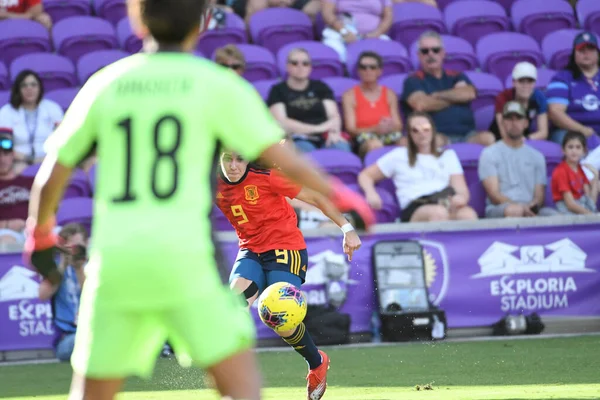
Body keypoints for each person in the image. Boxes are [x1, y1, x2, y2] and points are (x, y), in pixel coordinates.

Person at [23, 0, 375, 399]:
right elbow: (285, 157)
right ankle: (312, 360)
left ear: (135, 17)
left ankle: (312, 359)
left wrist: (39, 236)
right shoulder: (217, 84)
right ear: (202, 23)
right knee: (240, 389)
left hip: (117, 262)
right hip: (186, 260)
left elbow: (53, 171)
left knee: (90, 393)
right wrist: (346, 196)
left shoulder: (107, 83)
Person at [216, 150, 362, 400]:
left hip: (286, 249)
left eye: (239, 159)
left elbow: (316, 196)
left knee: (277, 316)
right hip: (250, 250)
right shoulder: (210, 183)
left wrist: (347, 229)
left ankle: (317, 363)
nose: (233, 165)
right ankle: (233, 389)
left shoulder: (266, 177)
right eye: (227, 158)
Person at [358, 112, 477, 222]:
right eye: (415, 130)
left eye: (426, 129)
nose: (422, 133)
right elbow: (365, 175)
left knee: (468, 214)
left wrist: (460, 198)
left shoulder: (447, 155)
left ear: (433, 131)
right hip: (416, 205)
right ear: (409, 134)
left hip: (445, 201)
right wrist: (371, 193)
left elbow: (461, 189)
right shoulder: (398, 155)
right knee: (438, 213)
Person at [401, 31, 494, 146]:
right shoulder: (413, 80)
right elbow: (422, 104)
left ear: (442, 53)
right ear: (419, 56)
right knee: (436, 142)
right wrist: (456, 96)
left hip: (468, 134)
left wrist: (436, 95)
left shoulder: (456, 75)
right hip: (436, 134)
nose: (430, 54)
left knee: (488, 138)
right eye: (425, 51)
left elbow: (469, 94)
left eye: (435, 50)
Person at [478, 101, 558, 218]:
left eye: (518, 119)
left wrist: (531, 207)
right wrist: (521, 207)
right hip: (500, 209)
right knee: (514, 211)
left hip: (529, 208)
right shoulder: (489, 153)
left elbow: (539, 196)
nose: (514, 123)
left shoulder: (537, 156)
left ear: (525, 123)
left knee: (556, 216)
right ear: (503, 122)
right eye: (509, 119)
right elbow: (494, 195)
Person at [268, 48, 350, 153]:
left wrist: (334, 131)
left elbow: (334, 115)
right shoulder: (277, 90)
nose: (300, 67)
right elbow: (282, 122)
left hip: (325, 135)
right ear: (287, 66)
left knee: (341, 148)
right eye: (294, 63)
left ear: (310, 67)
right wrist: (318, 128)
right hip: (295, 138)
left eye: (305, 63)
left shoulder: (321, 87)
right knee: (306, 155)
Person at [38, 223, 88, 362]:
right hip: (68, 337)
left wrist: (79, 269)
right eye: (71, 248)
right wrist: (62, 266)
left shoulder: (94, 265)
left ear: (87, 243)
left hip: (93, 331)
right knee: (79, 342)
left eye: (79, 247)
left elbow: (92, 295)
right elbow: (42, 295)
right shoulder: (55, 267)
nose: (75, 251)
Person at [0, 70, 64, 174]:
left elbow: (63, 140)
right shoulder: (7, 112)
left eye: (33, 85)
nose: (29, 89)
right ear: (18, 89)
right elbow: (5, 145)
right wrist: (28, 159)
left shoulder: (52, 108)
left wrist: (47, 159)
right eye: (24, 85)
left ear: (40, 88)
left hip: (49, 160)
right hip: (19, 161)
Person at [342, 51, 403, 158]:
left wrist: (389, 127)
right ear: (358, 71)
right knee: (375, 145)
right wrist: (375, 129)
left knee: (406, 142)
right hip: (364, 139)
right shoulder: (349, 96)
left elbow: (398, 125)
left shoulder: (389, 94)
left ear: (379, 71)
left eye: (372, 67)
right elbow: (351, 129)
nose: (367, 70)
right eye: (363, 67)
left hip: (389, 135)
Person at [547, 31, 600, 149]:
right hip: (572, 131)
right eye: (581, 50)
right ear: (574, 54)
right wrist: (582, 130)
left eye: (590, 49)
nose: (586, 53)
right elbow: (555, 113)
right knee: (573, 144)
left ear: (598, 53)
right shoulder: (561, 78)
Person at [490, 62, 549, 142]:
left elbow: (543, 132)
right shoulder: (503, 97)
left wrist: (526, 139)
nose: (525, 85)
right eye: (521, 81)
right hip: (498, 137)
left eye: (530, 81)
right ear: (514, 83)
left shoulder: (539, 98)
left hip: (524, 137)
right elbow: (504, 133)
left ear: (534, 83)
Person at [321, 0, 393, 62]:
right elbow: (327, 13)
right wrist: (344, 31)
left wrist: (376, 33)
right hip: (340, 34)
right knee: (333, 54)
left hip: (374, 36)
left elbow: (388, 17)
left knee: (389, 52)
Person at [551, 131, 598, 214]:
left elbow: (590, 201)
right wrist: (591, 215)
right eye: (570, 147)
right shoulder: (561, 171)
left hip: (581, 207)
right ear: (563, 150)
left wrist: (596, 176)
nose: (574, 151)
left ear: (584, 151)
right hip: (567, 210)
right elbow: (570, 204)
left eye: (578, 147)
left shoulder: (581, 170)